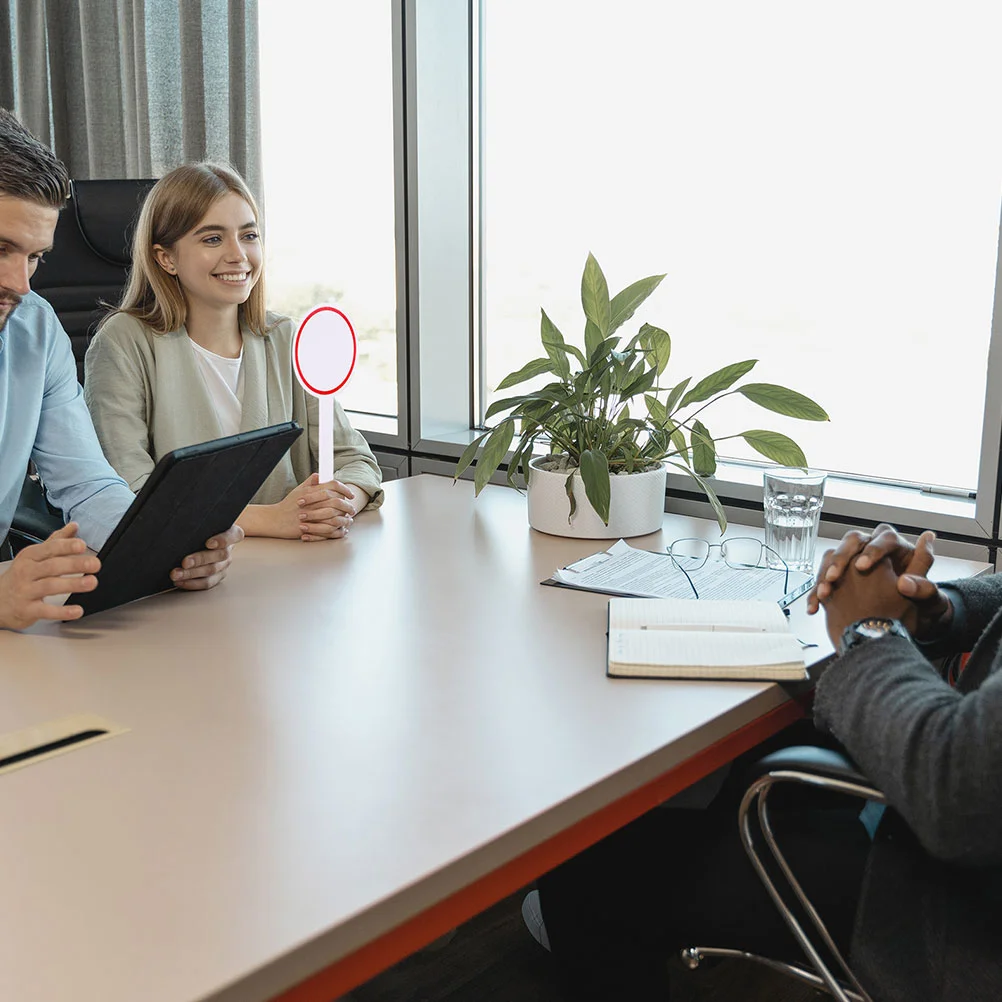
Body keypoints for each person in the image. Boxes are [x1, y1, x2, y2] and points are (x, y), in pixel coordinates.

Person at [529, 523, 1002, 1001]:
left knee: (587, 864)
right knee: (761, 756)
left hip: (955, 912)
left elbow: (959, 796)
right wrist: (942, 609)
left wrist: (873, 632)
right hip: (945, 827)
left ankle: (598, 918)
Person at [0, 109, 241, 631]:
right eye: (1, 249)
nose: (20, 283)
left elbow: (86, 485)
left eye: (36, 257)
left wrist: (165, 549)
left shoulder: (35, 329)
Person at [82, 163, 383, 543]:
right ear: (165, 258)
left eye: (249, 235)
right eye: (212, 239)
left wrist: (338, 506)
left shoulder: (284, 338)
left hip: (295, 563)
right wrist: (272, 520)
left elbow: (355, 460)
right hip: (187, 569)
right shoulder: (123, 342)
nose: (238, 255)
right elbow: (131, 492)